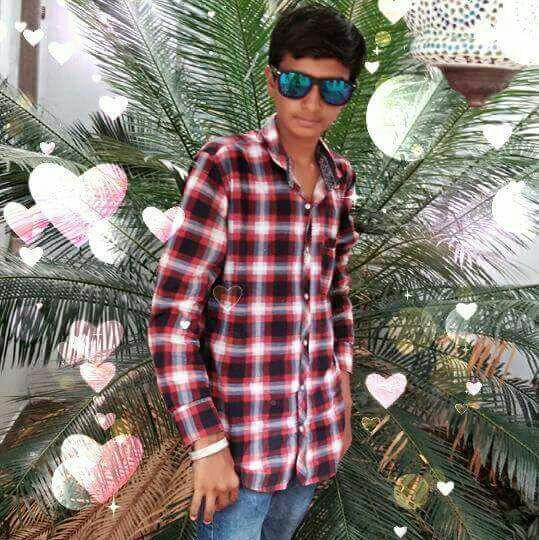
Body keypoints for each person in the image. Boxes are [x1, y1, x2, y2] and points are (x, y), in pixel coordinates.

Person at [148, 3, 366, 539]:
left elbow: (335, 296)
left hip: (313, 440)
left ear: (348, 94)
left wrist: (341, 396)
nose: (311, 103)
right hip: (238, 449)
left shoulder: (340, 178)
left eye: (333, 89)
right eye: (296, 82)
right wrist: (207, 443)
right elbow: (173, 317)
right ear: (272, 79)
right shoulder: (226, 167)